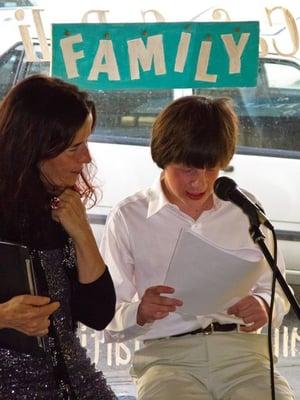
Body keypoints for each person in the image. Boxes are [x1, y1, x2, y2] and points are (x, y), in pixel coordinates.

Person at [100, 96, 295, 400]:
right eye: (188, 169)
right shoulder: (129, 216)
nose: (200, 182)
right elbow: (105, 318)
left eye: (212, 168)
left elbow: (278, 288)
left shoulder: (243, 207)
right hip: (167, 361)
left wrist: (264, 305)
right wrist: (139, 312)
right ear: (163, 158)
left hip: (245, 358)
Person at [0, 75, 117, 399]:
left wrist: (82, 234)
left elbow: (99, 314)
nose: (86, 158)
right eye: (74, 147)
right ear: (34, 148)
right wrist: (4, 316)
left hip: (78, 383)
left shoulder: (60, 206)